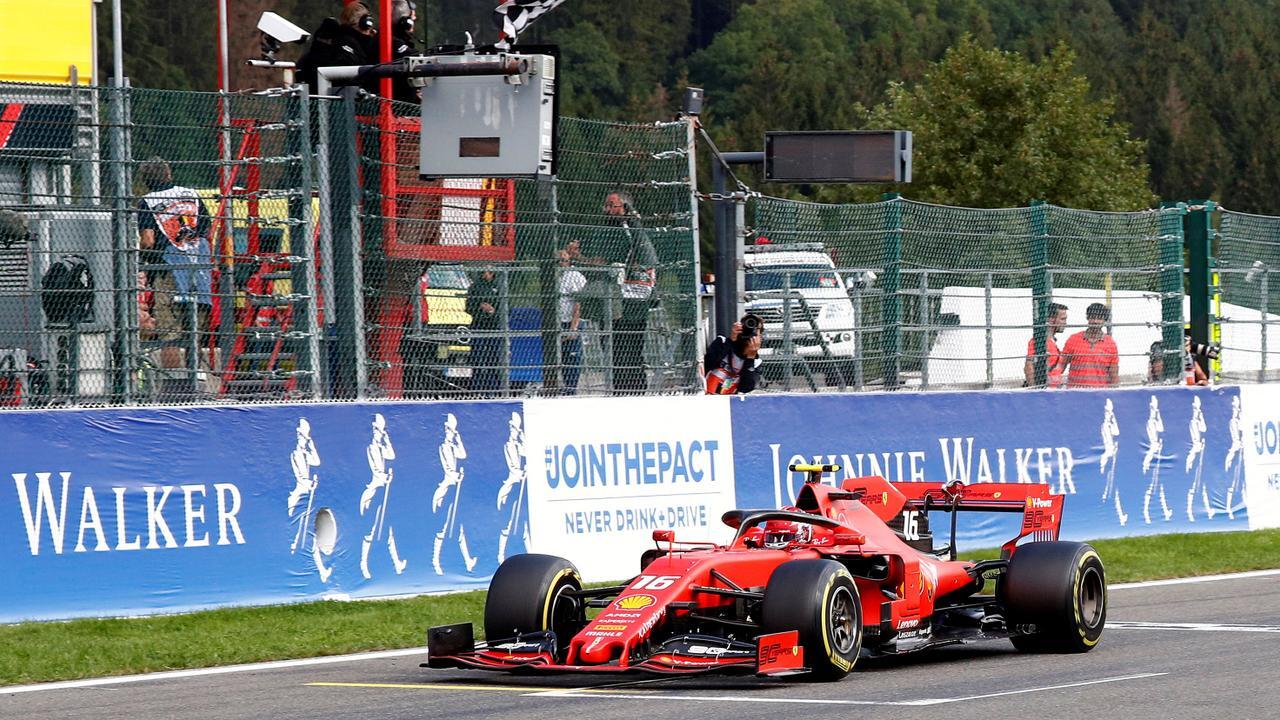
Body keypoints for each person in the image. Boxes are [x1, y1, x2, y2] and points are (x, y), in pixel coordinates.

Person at [136, 157, 212, 398]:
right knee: (194, 331)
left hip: (167, 271)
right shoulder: (192, 195)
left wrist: (141, 256)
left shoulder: (148, 202)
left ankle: (176, 387)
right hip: (197, 271)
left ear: (146, 180)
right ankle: (196, 381)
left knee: (170, 333)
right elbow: (206, 229)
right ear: (168, 173)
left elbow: (148, 241)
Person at [604, 190, 657, 394]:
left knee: (630, 345)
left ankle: (634, 389)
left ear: (625, 208)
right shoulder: (610, 231)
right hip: (620, 295)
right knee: (616, 346)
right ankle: (623, 388)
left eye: (612, 205)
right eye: (606, 205)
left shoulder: (631, 228)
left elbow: (644, 255)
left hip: (633, 297)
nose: (607, 210)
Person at [295, 1, 378, 94]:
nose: (371, 31)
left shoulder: (339, 41)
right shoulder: (349, 45)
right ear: (364, 24)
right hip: (345, 101)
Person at [1060, 302, 1119, 387]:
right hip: (1075, 392)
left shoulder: (1110, 344)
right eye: (1092, 317)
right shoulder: (1073, 339)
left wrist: (1114, 395)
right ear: (1087, 318)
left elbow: (1114, 375)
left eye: (1099, 318)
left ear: (1104, 320)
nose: (1095, 321)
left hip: (1100, 393)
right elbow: (1061, 365)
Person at [465, 266, 502, 394]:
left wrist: (492, 310)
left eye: (488, 272)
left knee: (494, 359)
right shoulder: (475, 286)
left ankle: (494, 390)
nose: (485, 274)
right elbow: (468, 307)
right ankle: (477, 389)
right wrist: (479, 307)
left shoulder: (500, 286)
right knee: (478, 358)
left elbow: (506, 309)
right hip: (478, 325)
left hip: (494, 326)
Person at [704, 315, 763, 394]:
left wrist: (750, 357)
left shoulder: (756, 363)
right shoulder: (722, 342)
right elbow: (708, 364)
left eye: (755, 329)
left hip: (729, 399)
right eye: (747, 327)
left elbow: (745, 388)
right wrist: (731, 340)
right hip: (706, 394)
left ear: (760, 336)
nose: (750, 331)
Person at [556, 244, 587, 394]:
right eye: (557, 261)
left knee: (572, 356)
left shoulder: (574, 276)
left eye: (563, 260)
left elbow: (578, 304)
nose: (560, 263)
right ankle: (560, 386)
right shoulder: (555, 276)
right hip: (558, 321)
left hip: (571, 321)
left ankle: (571, 388)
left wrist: (573, 327)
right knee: (559, 356)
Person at [1023, 302, 1067, 388]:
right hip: (1046, 392)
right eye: (1062, 319)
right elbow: (1029, 366)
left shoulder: (1052, 341)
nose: (1065, 323)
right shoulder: (1039, 341)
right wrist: (1036, 390)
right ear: (1051, 319)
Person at [390, 0, 420, 105]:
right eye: (412, 17)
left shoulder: (396, 39)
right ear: (406, 22)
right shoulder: (392, 41)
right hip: (398, 105)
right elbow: (413, 56)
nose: (415, 19)